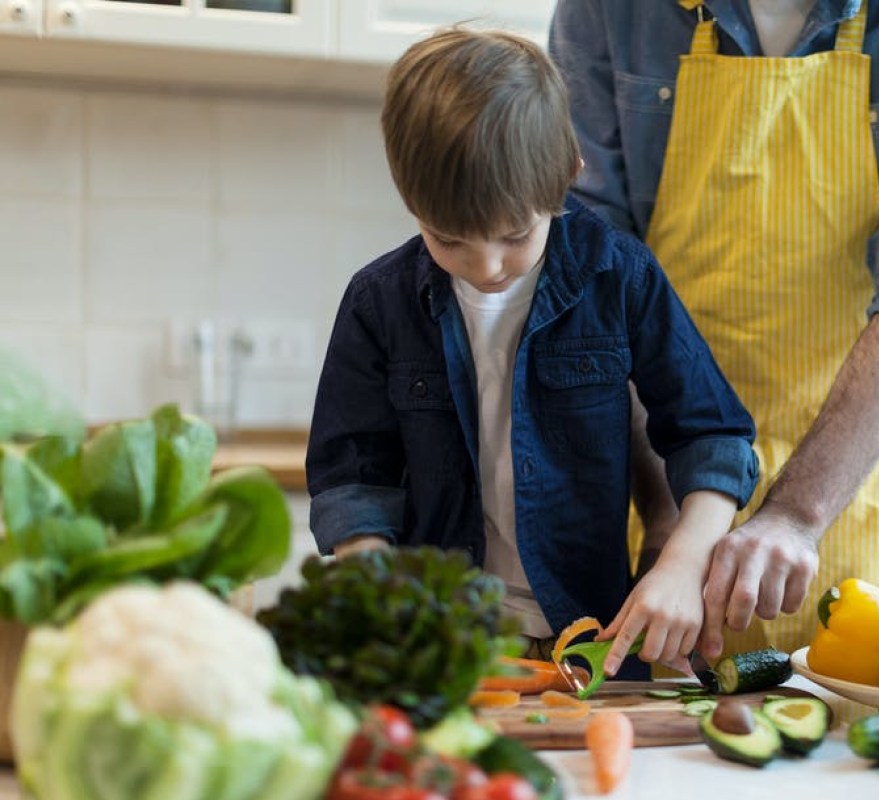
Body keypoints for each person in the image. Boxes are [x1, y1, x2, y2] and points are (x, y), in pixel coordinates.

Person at [549, 0, 879, 659]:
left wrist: (796, 514)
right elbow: (592, 276)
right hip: (663, 480)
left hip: (874, 483)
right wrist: (672, 523)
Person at [305, 28, 759, 677]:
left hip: (592, 640)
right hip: (442, 648)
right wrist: (377, 583)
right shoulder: (377, 302)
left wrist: (682, 564)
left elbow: (713, 437)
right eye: (448, 239)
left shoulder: (619, 275)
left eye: (514, 235)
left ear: (566, 177)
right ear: (410, 203)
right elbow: (352, 479)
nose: (486, 266)